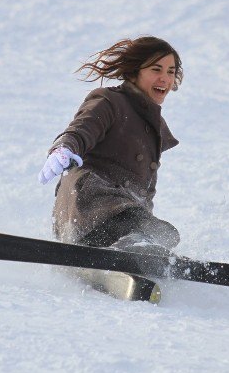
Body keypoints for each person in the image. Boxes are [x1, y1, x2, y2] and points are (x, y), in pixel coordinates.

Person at [38, 36, 183, 256]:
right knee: (150, 228)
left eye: (171, 72)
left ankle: (138, 249)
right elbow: (81, 130)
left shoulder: (155, 127)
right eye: (156, 69)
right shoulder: (110, 101)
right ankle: (136, 246)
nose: (164, 78)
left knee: (165, 233)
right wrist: (64, 149)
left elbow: (142, 191)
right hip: (89, 205)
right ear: (135, 71)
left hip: (118, 220)